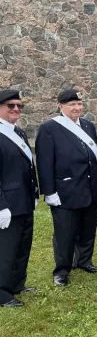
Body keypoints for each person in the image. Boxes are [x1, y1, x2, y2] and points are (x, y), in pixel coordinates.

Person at [36, 89, 97, 286]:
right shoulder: (50, 128)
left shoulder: (88, 126)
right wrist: (49, 192)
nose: (77, 108)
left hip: (89, 187)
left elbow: (96, 156)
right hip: (65, 189)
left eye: (79, 104)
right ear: (61, 106)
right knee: (65, 233)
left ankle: (84, 261)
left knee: (87, 228)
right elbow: (44, 162)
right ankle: (62, 270)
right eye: (71, 105)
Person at [0, 90, 38, 307]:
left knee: (23, 246)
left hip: (24, 200)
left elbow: (28, 168)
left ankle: (17, 284)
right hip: (7, 204)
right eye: (10, 105)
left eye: (19, 106)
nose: (16, 109)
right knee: (6, 250)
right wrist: (1, 206)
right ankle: (3, 294)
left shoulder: (20, 133)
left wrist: (34, 193)